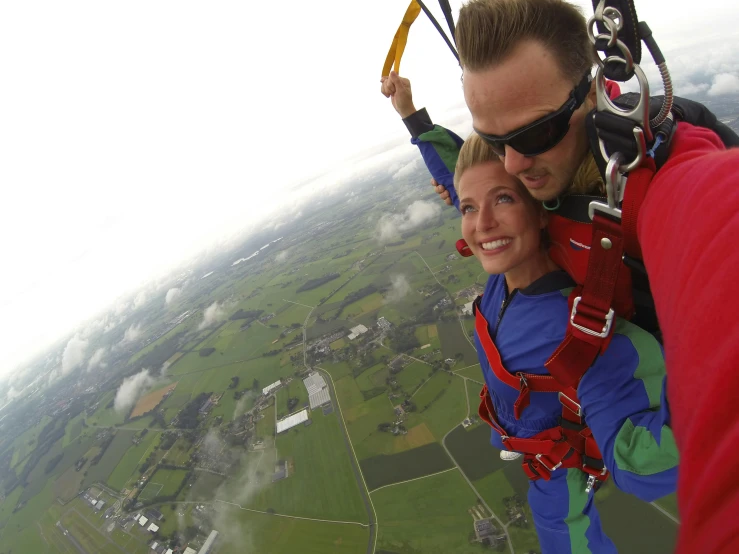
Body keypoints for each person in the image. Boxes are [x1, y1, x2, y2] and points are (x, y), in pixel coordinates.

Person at [442, 1, 739, 551]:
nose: (511, 164)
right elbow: (469, 173)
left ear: (596, 92)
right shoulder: (531, 184)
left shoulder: (655, 184)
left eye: (534, 132)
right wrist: (415, 119)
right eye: (494, 138)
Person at [428, 132, 676, 553]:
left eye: (503, 199)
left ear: (541, 212)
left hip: (558, 460)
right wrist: (413, 118)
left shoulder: (576, 329)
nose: (481, 224)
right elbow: (458, 184)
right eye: (469, 209)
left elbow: (643, 460)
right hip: (520, 433)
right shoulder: (503, 278)